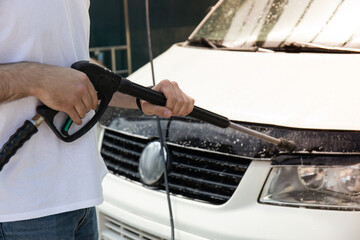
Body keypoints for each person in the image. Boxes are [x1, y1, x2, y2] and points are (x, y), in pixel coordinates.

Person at [0, 0, 194, 239]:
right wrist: (36, 80)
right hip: (19, 211)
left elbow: (71, 64)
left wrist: (142, 97)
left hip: (81, 196)